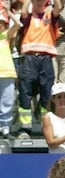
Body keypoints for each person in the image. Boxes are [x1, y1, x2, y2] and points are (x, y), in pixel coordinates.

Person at [17, 0, 63, 139]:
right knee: (25, 92)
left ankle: (45, 126)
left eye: (41, 1)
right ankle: (25, 128)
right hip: (29, 58)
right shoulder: (28, 17)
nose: (38, 2)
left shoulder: (50, 16)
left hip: (46, 59)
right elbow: (24, 12)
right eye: (36, 0)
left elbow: (59, 7)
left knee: (46, 93)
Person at [0, 4, 21, 139]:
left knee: (7, 101)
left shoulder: (5, 36)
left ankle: (5, 127)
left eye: (1, 22)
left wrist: (8, 12)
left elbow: (18, 24)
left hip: (7, 73)